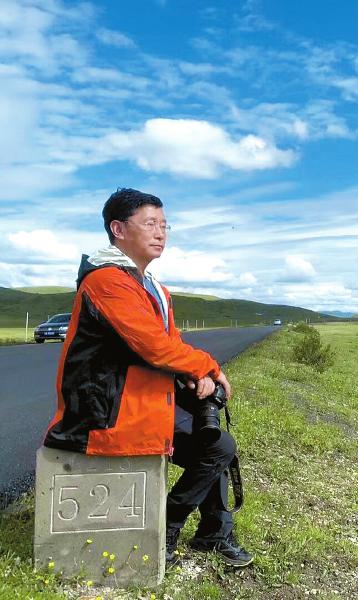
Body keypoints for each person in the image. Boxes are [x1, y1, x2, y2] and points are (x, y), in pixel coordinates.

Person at [43, 188, 252, 567]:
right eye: (151, 223)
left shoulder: (153, 287)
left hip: (143, 401)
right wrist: (207, 366)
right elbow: (154, 347)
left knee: (215, 441)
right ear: (118, 229)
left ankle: (213, 533)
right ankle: (168, 527)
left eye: (165, 225)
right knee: (216, 447)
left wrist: (195, 376)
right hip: (104, 412)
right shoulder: (107, 281)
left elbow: (170, 344)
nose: (161, 233)